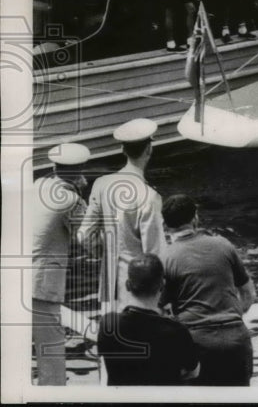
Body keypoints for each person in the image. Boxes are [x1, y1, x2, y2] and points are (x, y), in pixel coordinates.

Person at [159, 195, 256, 386]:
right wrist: (233, 317)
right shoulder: (224, 245)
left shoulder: (165, 258)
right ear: (195, 218)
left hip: (196, 345)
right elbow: (249, 294)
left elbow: (159, 310)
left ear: (165, 225)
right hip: (236, 341)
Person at [78, 119, 166, 308]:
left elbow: (84, 235)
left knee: (111, 331)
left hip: (108, 282)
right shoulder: (150, 196)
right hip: (140, 288)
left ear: (123, 150)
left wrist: (106, 254)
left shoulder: (102, 184)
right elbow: (154, 253)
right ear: (149, 150)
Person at [32, 143, 89, 386]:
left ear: (54, 167)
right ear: (80, 171)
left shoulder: (38, 185)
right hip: (41, 283)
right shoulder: (70, 200)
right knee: (51, 346)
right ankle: (54, 395)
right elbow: (88, 239)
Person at [97, 254, 200, 385]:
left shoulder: (108, 324)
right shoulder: (177, 331)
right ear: (162, 286)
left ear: (128, 285)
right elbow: (193, 372)